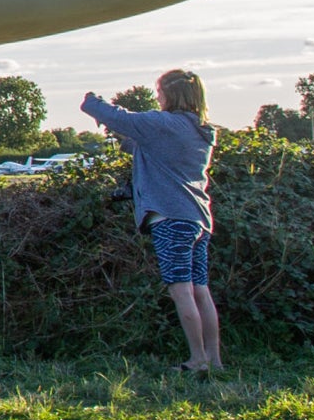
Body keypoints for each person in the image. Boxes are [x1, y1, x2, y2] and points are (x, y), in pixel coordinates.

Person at [82, 71, 221, 374]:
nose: (157, 97)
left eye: (159, 91)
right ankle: (214, 359)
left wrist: (93, 102)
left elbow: (115, 116)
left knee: (180, 290)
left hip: (170, 218)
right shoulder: (199, 129)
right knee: (201, 291)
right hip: (199, 219)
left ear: (172, 94)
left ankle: (197, 360)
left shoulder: (164, 124)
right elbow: (146, 149)